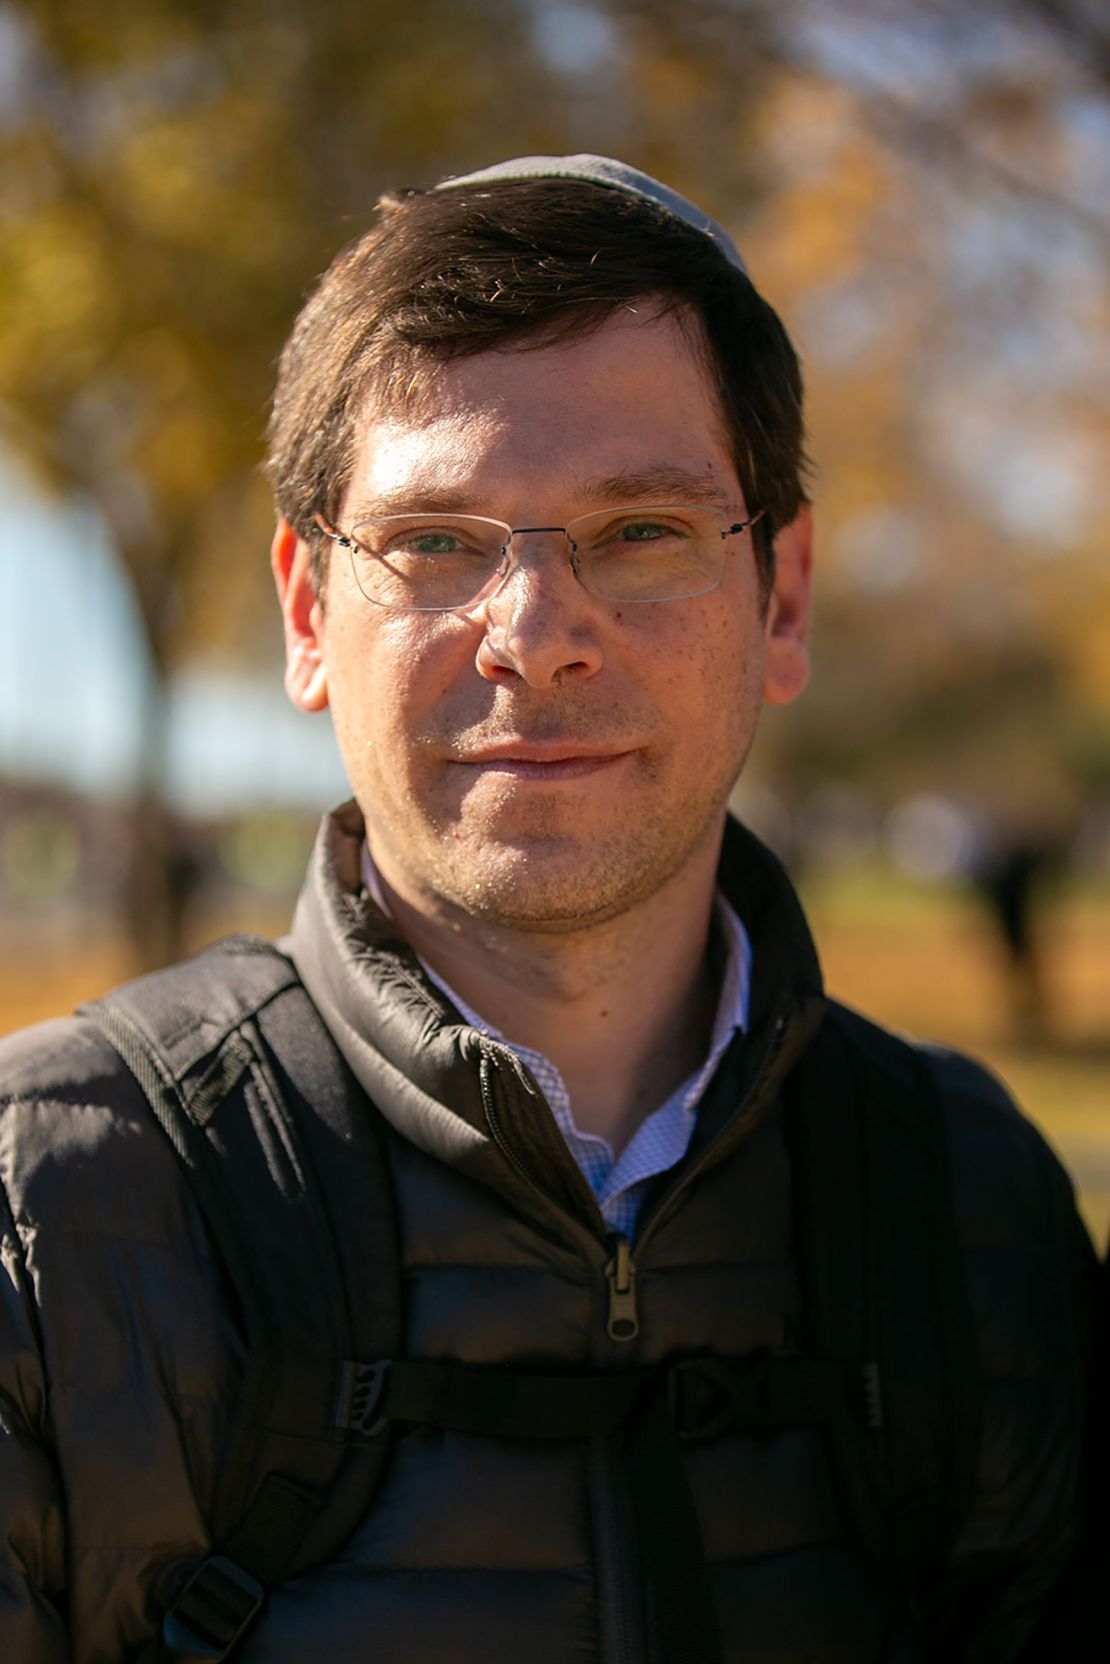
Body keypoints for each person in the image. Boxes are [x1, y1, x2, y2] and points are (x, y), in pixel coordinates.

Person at [0, 154, 1094, 1664]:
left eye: (639, 531)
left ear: (779, 601)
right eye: (436, 541)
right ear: (310, 615)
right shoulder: (46, 1211)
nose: (533, 637)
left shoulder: (977, 1215)